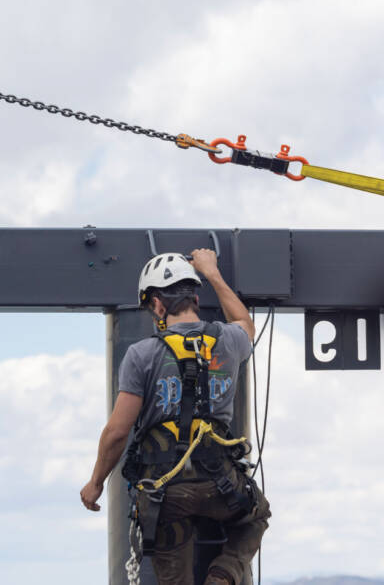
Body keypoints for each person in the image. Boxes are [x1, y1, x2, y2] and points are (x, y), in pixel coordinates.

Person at [80, 249, 270, 585]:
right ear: (195, 298)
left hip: (165, 494)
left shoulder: (142, 355)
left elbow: (117, 432)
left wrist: (95, 483)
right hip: (221, 485)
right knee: (255, 515)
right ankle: (223, 576)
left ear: (157, 305)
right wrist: (212, 272)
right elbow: (245, 323)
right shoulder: (228, 340)